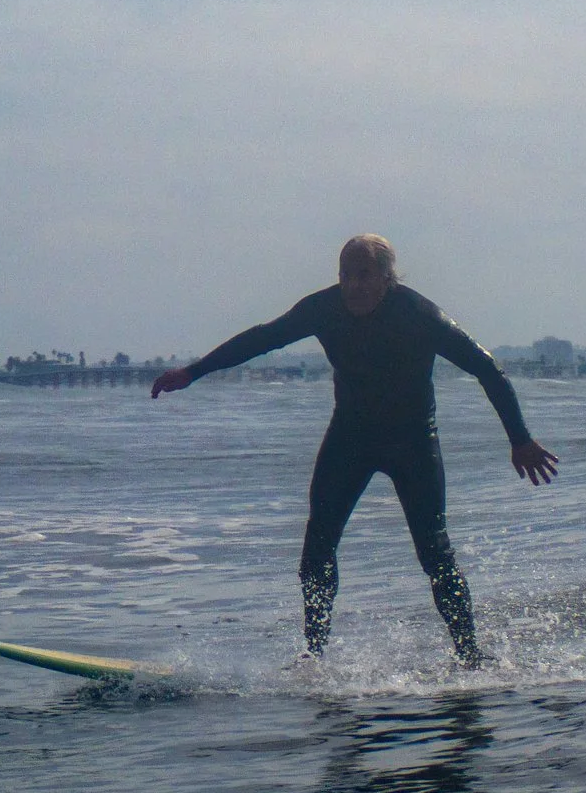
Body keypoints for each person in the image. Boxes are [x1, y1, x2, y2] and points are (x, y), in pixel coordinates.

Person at [150, 234, 557, 664]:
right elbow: (261, 339)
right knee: (318, 544)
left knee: (435, 552)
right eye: (346, 275)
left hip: (413, 440)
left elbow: (487, 369)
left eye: (365, 276)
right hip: (351, 437)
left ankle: (471, 655)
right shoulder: (323, 309)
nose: (354, 286)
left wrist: (519, 439)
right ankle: (314, 656)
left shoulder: (419, 315)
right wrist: (194, 372)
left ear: (387, 279)